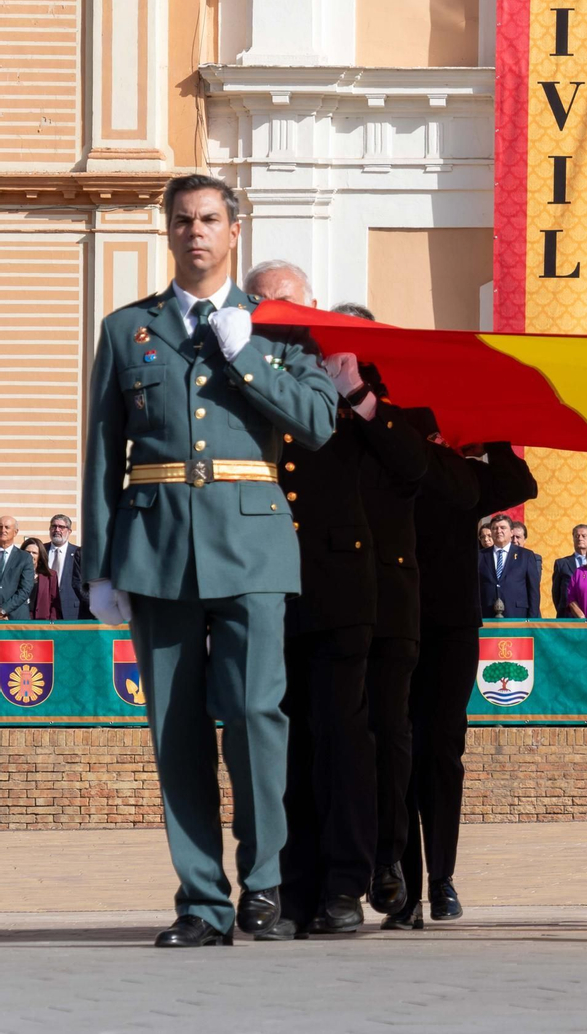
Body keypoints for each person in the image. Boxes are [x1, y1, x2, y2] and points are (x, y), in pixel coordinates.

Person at [81, 173, 337, 947]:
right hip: (156, 547)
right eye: (183, 220)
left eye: (210, 219)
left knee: (258, 714)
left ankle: (264, 885)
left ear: (234, 230)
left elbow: (320, 423)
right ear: (169, 233)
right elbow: (101, 454)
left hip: (252, 544)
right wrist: (99, 563)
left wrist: (248, 354)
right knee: (174, 726)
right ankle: (201, 900)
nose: (196, 231)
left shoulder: (281, 329)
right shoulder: (129, 330)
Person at [247, 263, 429, 941]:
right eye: (263, 303)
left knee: (343, 742)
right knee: (281, 749)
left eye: (286, 303)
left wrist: (355, 393)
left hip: (341, 592)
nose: (273, 313)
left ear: (313, 308)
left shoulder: (357, 377)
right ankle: (289, 891)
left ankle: (345, 885)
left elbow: (411, 466)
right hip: (265, 585)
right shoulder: (243, 368)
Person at [394, 426, 534, 929]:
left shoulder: (459, 477)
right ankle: (403, 887)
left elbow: (520, 484)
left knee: (442, 751)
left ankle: (441, 880)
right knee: (397, 753)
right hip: (394, 626)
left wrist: (494, 439)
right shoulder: (386, 466)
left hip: (451, 627)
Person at [478, 514, 542, 619]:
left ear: (511, 532)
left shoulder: (526, 555)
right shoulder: (481, 556)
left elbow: (533, 590)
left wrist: (532, 619)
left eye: (503, 528)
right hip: (487, 615)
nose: (498, 531)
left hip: (517, 615)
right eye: (494, 528)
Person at [43, 515, 87, 619]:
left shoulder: (79, 553)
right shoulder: (41, 550)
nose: (57, 530)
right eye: (53, 526)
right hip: (44, 608)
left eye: (61, 527)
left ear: (69, 531)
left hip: (71, 609)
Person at [550, 524, 587, 618]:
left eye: (583, 536)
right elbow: (556, 593)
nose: (580, 538)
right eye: (577, 536)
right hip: (567, 616)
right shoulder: (562, 563)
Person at [0, 515, 34, 621]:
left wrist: (3, 610)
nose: (3, 530)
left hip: (15, 617)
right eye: (0, 527)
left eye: (7, 527)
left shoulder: (24, 558)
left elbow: (25, 589)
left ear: (15, 532)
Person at [24, 538, 60, 620]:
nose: (30, 555)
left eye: (34, 553)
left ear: (40, 555)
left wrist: (52, 623)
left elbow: (55, 603)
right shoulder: (14, 574)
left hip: (42, 622)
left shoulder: (50, 575)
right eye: (27, 552)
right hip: (19, 622)